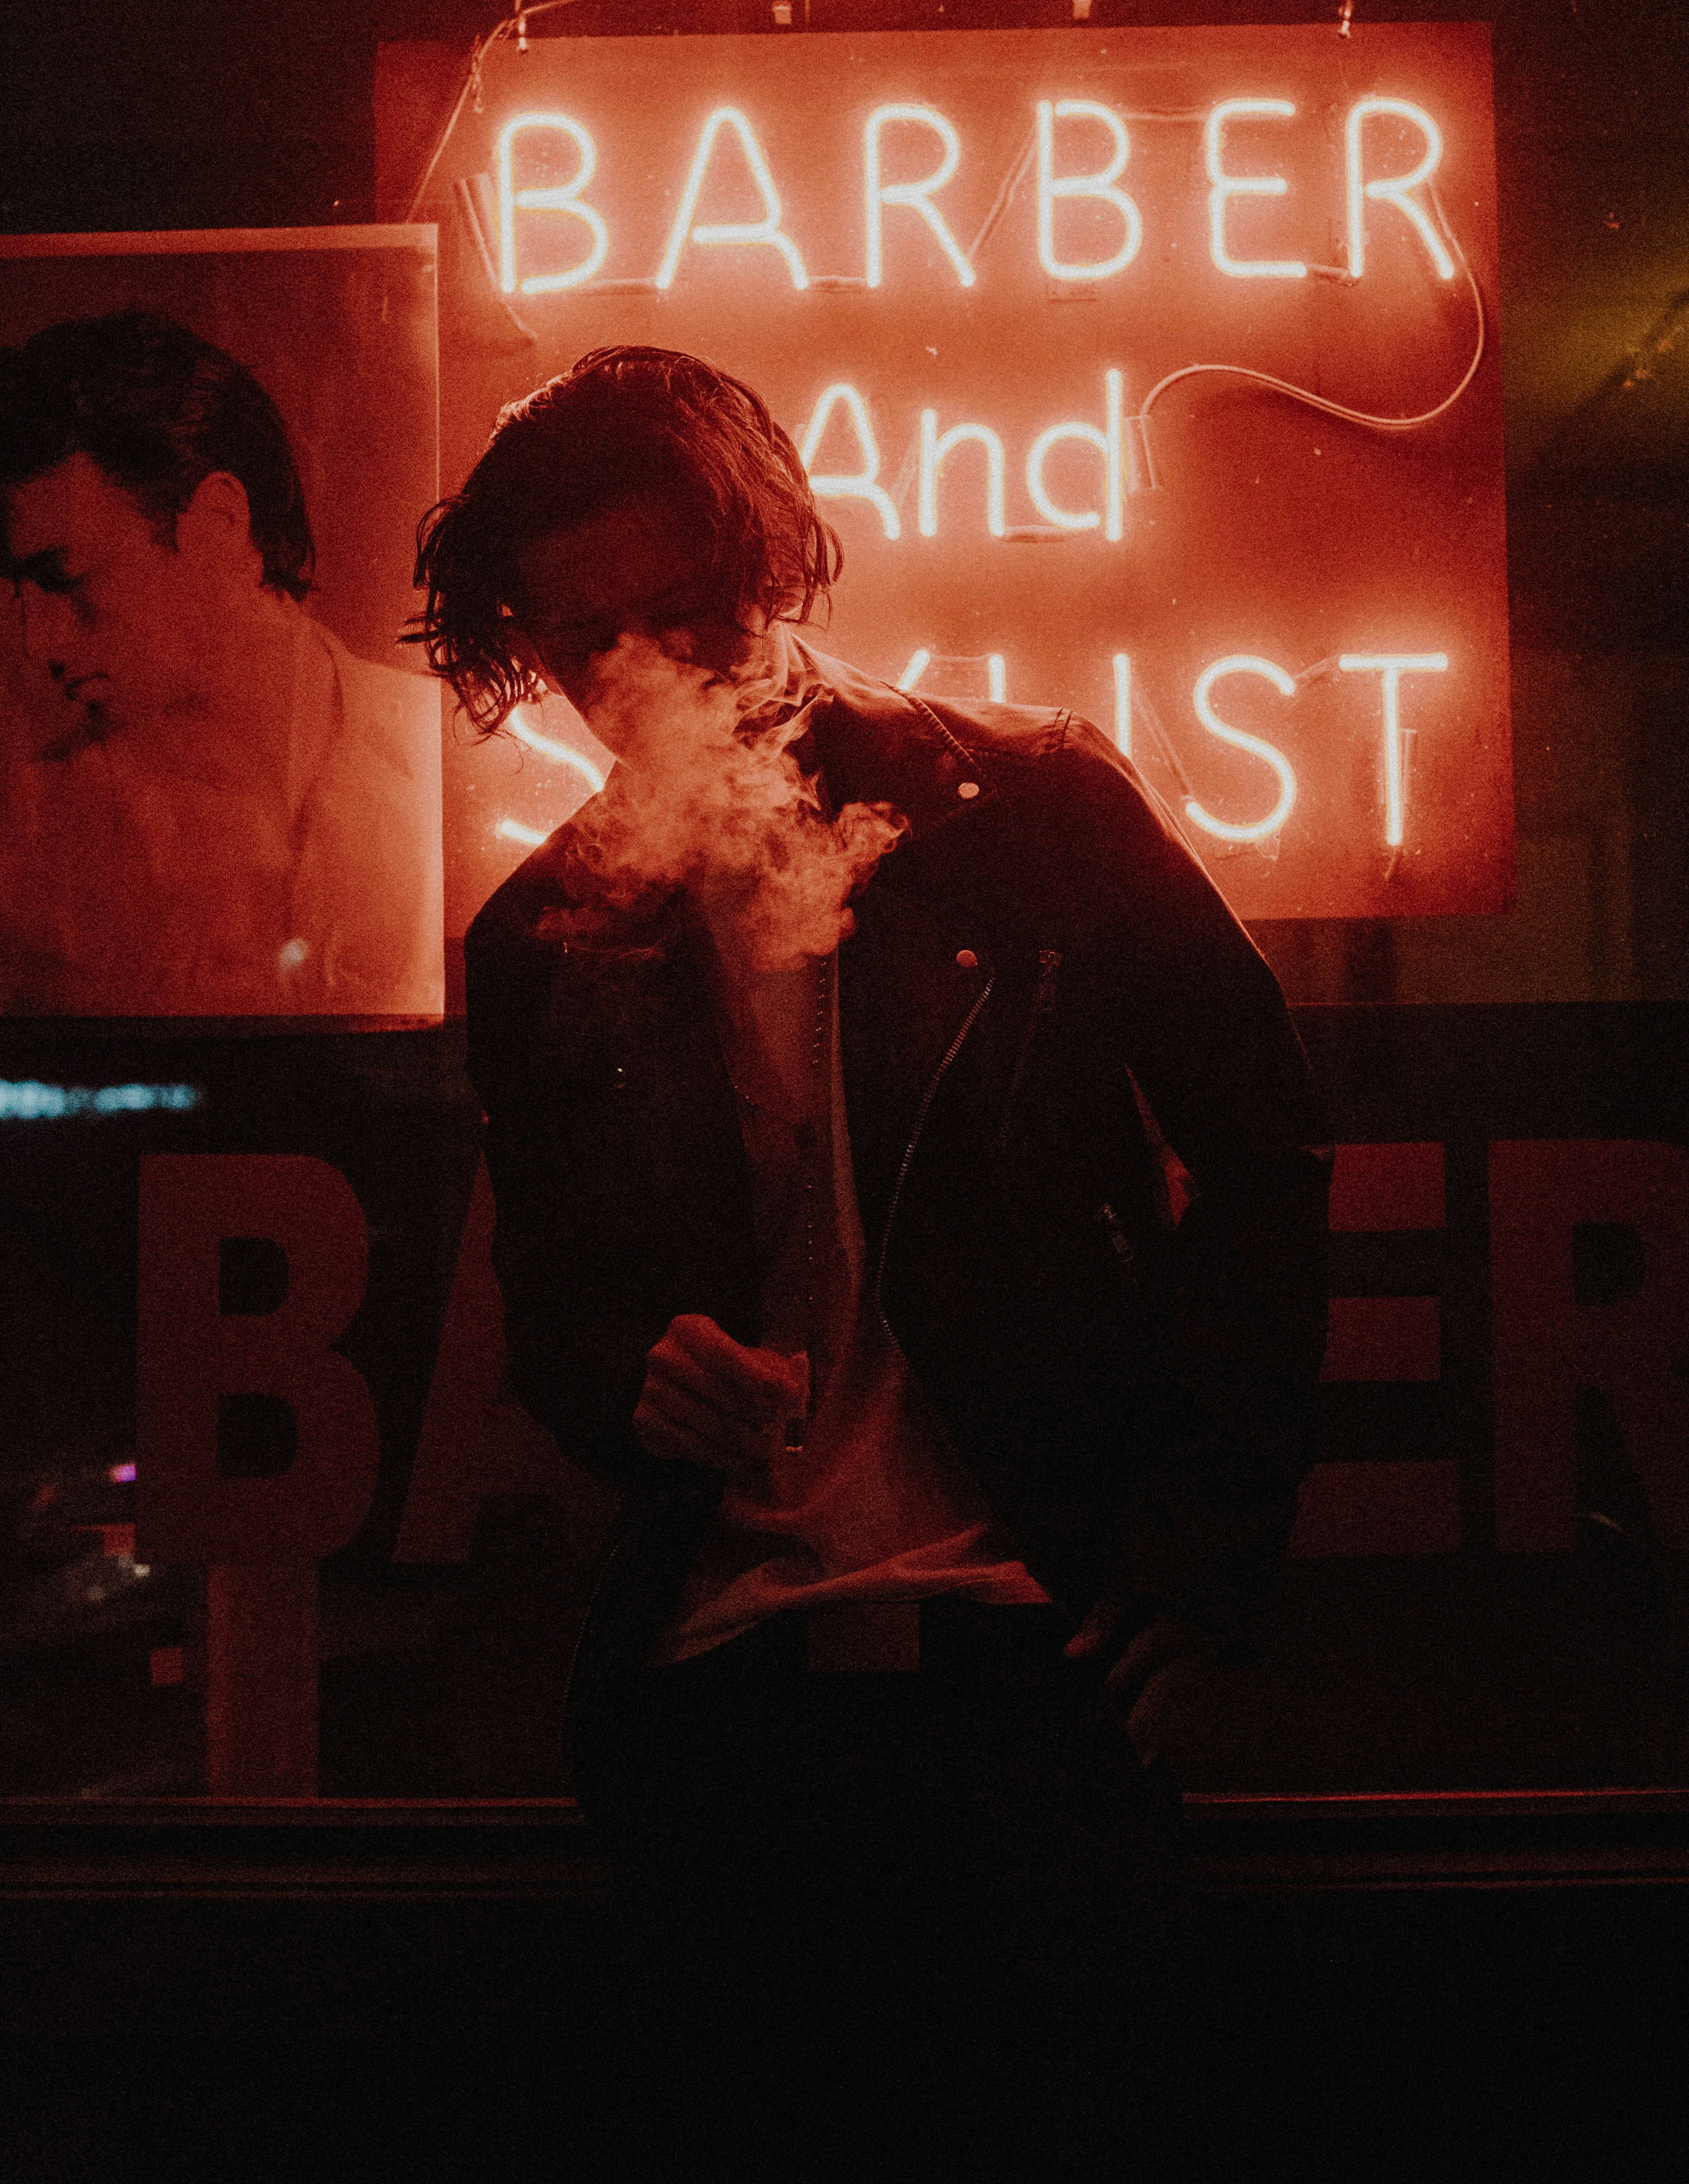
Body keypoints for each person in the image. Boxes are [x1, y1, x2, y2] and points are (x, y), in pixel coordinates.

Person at [411, 343, 1332, 2177]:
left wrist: (1199, 1548)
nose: (640, 675)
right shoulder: (543, 941)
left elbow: (1264, 1151)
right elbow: (559, 1327)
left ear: (770, 560)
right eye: (583, 641)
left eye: (681, 611)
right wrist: (635, 1376)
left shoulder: (1031, 810)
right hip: (724, 1704)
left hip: (1025, 1665)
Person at [0, 308, 441, 1016]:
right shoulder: (32, 842)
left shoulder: (457, 753)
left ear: (216, 523)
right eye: (18, 591)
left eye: (65, 577)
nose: (37, 640)